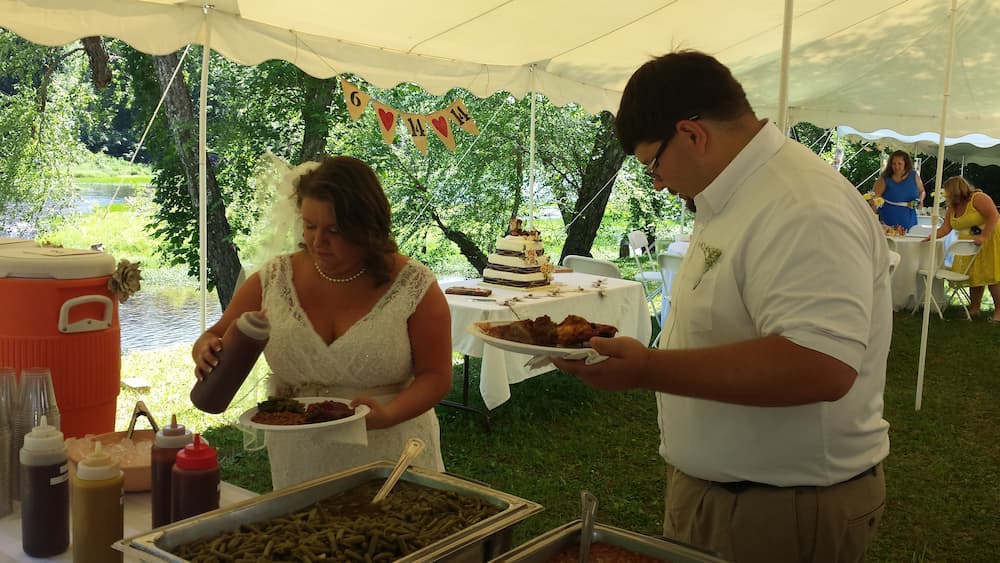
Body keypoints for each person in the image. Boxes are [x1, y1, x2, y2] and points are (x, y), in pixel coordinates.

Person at [553, 50, 891, 563]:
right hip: (730, 497)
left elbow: (819, 367)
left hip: (779, 511)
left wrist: (647, 368)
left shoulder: (802, 206)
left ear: (692, 135)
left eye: (653, 164)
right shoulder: (734, 194)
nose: (658, 182)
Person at [191, 155, 452, 489]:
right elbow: (216, 333)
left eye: (335, 230)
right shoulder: (274, 278)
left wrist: (387, 415)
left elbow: (436, 375)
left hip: (391, 451)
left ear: (367, 227)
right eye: (310, 226)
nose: (318, 242)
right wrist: (205, 347)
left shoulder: (413, 285)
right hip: (299, 454)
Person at [928, 176, 1000, 322]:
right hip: (969, 242)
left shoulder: (978, 198)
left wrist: (984, 237)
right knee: (974, 275)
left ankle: (999, 313)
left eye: (947, 191)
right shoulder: (952, 207)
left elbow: (994, 215)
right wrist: (931, 236)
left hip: (990, 237)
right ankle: (974, 309)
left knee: (992, 275)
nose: (945, 194)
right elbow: (946, 228)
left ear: (955, 190)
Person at [873, 150, 925, 231]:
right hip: (888, 220)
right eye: (894, 164)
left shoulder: (914, 175)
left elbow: (922, 191)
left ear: (906, 163)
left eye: (899, 164)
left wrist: (920, 201)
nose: (896, 167)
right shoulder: (884, 178)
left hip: (910, 220)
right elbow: (875, 197)